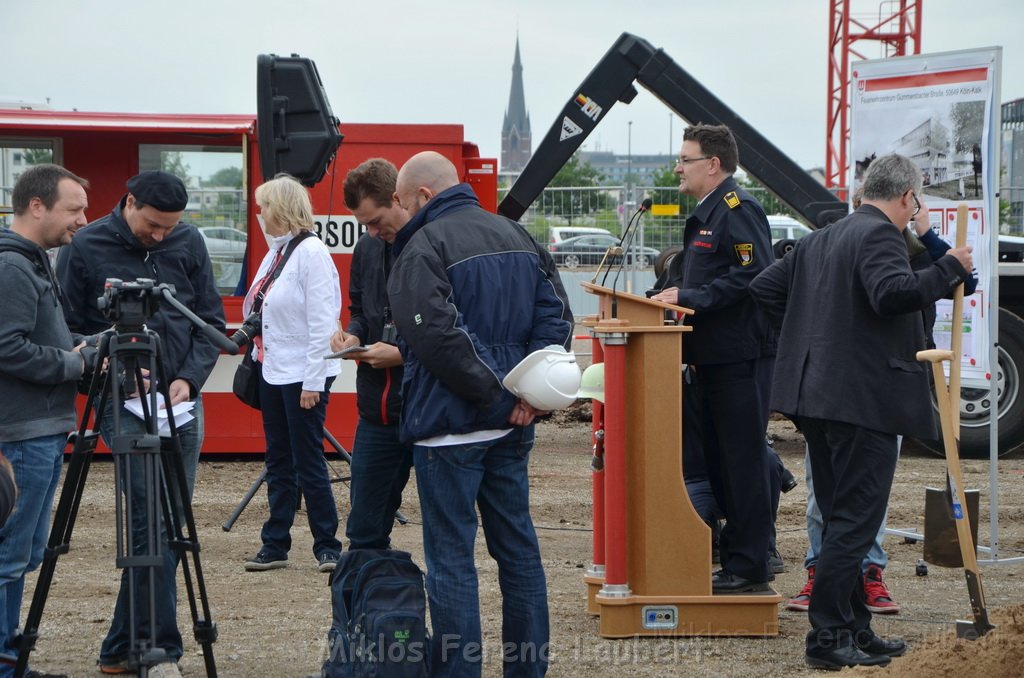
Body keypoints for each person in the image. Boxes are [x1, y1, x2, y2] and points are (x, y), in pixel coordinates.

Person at [749, 153, 972, 670]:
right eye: (915, 199)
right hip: (862, 401)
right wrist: (949, 267)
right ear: (906, 198)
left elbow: (764, 290)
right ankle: (827, 638)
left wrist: (817, 335)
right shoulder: (877, 236)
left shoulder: (822, 237)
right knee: (854, 520)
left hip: (818, 398)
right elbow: (893, 294)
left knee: (838, 515)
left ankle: (855, 627)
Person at [387, 151, 572, 677]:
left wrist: (499, 396)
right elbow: (556, 318)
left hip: (450, 429)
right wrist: (527, 395)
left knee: (451, 561)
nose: (399, 212)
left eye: (401, 201)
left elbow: (435, 339)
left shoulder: (423, 246)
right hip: (513, 424)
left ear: (423, 196)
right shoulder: (520, 236)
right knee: (517, 551)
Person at [56, 170, 225, 674]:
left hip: (180, 403)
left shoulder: (188, 239)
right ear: (128, 203)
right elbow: (63, 329)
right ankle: (160, 651)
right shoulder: (84, 246)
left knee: (170, 522)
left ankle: (118, 650)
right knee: (153, 519)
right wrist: (104, 361)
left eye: (169, 228)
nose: (160, 236)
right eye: (152, 225)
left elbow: (209, 322)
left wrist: (190, 380)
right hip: (116, 402)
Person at [786, 192, 979, 615]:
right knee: (835, 498)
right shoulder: (856, 240)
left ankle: (866, 581)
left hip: (882, 385)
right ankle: (824, 581)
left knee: (865, 498)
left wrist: (929, 236)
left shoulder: (911, 246)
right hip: (850, 386)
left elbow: (967, 280)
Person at [650, 123, 776, 593]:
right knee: (722, 462)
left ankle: (749, 567)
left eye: (685, 159)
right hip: (712, 359)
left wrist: (691, 297)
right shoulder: (708, 214)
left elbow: (754, 277)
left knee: (743, 463)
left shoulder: (736, 210)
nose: (677, 167)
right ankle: (736, 558)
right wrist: (668, 295)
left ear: (714, 164)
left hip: (739, 358)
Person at [0, 164, 90, 678]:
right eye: (73, 209)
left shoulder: (33, 261)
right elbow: (7, 347)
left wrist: (72, 349)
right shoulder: (13, 267)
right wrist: (74, 362)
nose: (83, 218)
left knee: (23, 553)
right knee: (10, 556)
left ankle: (9, 657)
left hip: (39, 430)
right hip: (22, 436)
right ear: (37, 205)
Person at [242, 174, 343, 573]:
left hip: (303, 372)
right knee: (279, 458)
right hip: (273, 369)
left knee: (308, 459)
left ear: (279, 210)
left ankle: (327, 544)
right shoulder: (277, 253)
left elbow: (323, 320)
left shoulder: (311, 253)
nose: (259, 214)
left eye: (263, 206)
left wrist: (314, 381)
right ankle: (275, 543)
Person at [329, 159, 413, 550]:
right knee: (363, 527)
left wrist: (402, 354)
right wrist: (353, 336)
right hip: (375, 414)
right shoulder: (367, 248)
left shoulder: (432, 244)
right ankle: (368, 606)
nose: (372, 232)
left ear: (399, 199)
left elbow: (457, 329)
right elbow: (361, 310)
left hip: (425, 410)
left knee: (448, 531)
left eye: (376, 221)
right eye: (365, 225)